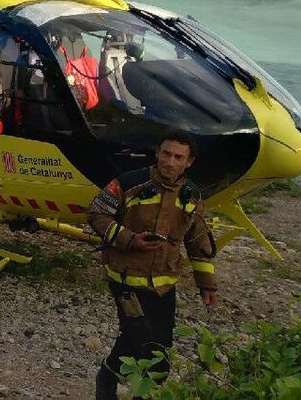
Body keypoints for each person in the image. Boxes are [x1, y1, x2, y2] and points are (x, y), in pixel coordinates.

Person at [87, 130, 217, 399]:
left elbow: (198, 240)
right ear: (157, 153)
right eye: (166, 154)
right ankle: (106, 382)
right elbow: (97, 213)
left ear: (189, 162)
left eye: (178, 157)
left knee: (160, 353)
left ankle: (142, 394)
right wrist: (129, 239)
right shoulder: (128, 183)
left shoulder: (192, 196)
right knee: (136, 339)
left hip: (164, 284)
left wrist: (207, 284)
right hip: (126, 280)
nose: (170, 162)